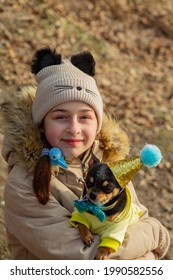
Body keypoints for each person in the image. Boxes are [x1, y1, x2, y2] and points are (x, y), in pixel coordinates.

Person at [0, 47, 170, 260]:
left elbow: (136, 217)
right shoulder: (25, 184)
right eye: (61, 117)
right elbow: (87, 259)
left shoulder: (109, 164)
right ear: (42, 124)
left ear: (97, 124)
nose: (74, 129)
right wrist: (157, 234)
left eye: (84, 117)